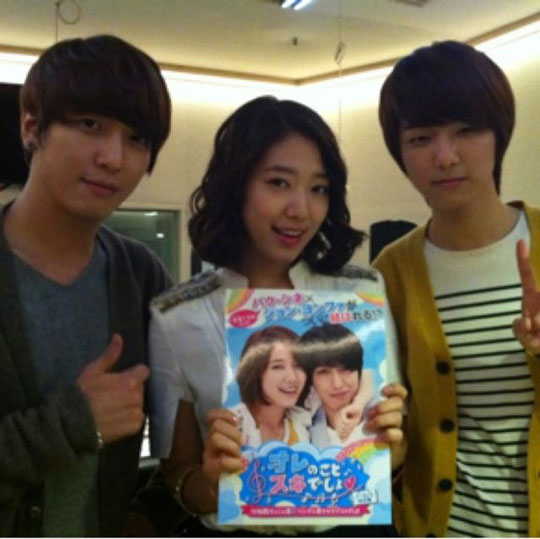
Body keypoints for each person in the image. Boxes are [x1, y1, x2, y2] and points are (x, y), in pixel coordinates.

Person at [149, 95, 407, 535]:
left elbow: (393, 450)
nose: (300, 210)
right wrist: (214, 483)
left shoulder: (360, 294)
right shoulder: (178, 315)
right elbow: (176, 474)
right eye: (279, 183)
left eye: (318, 189)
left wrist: (390, 441)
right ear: (235, 186)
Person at [0, 35, 172, 536]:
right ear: (31, 126)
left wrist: (152, 512)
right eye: (90, 125)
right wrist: (74, 423)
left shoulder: (141, 275)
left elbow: (184, 436)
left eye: (137, 139)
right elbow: (81, 424)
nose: (113, 158)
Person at [374, 40, 539, 537]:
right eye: (421, 138)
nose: (444, 157)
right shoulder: (390, 274)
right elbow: (392, 432)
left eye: (466, 130)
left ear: (499, 136)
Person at [297, 323, 373, 449]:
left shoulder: (379, 408)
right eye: (324, 372)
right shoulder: (303, 431)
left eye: (345, 369)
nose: (337, 384)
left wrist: (359, 403)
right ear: (310, 379)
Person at [232, 325, 310, 447]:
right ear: (256, 372)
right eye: (278, 367)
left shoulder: (302, 421)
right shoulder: (234, 422)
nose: (292, 378)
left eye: (298, 365)